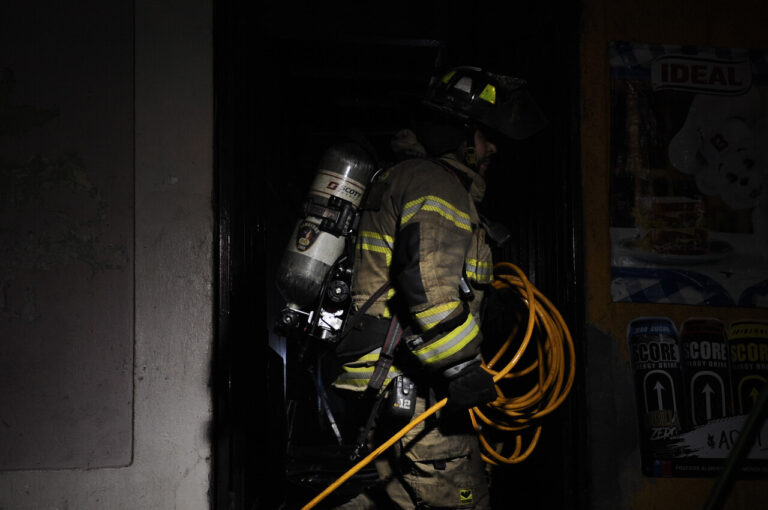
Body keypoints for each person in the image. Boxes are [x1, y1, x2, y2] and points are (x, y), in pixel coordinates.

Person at [330, 66, 547, 509]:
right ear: (462, 135)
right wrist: (464, 369)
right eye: (486, 136)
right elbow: (429, 288)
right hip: (411, 392)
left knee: (390, 498)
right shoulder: (437, 185)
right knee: (461, 500)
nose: (493, 148)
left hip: (377, 385)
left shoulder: (399, 176)